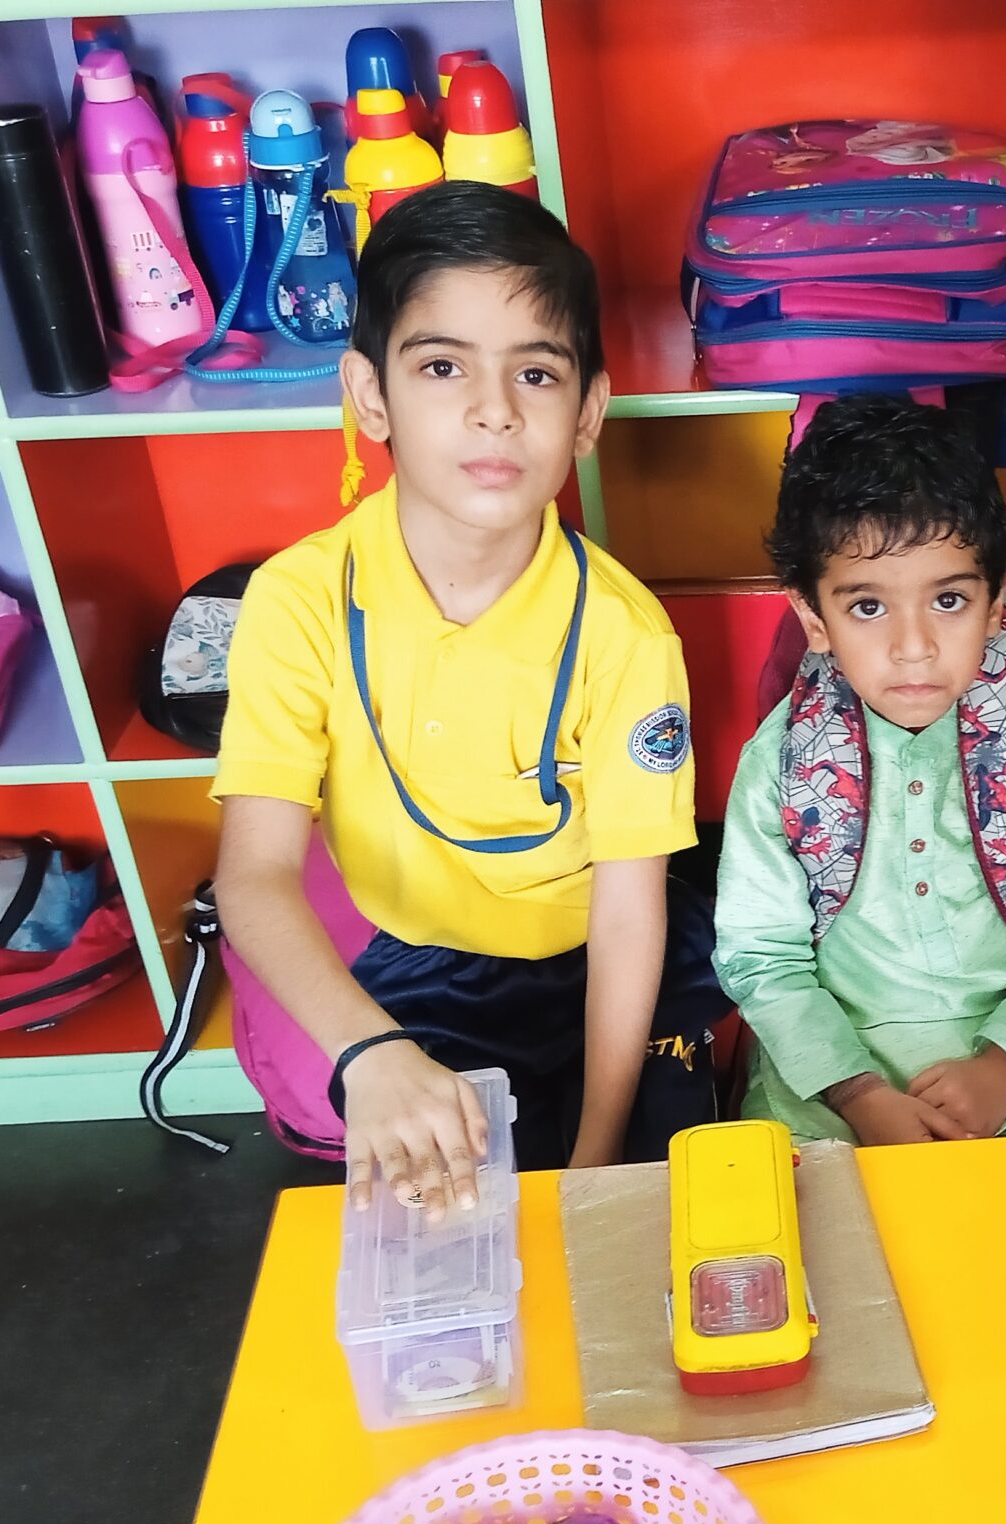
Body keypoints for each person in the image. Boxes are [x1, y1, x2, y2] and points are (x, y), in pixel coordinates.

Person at [212, 183, 721, 1209]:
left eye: (536, 372)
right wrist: (372, 1054)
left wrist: (597, 1154)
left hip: (609, 953)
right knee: (444, 1220)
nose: (496, 409)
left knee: (661, 1203)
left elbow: (629, 909)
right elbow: (253, 875)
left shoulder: (624, 636)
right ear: (370, 396)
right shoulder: (300, 600)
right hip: (428, 963)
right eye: (443, 367)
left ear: (586, 414)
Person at [712, 394, 1006, 1286]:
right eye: (866, 606)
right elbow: (761, 959)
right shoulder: (779, 761)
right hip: (837, 1066)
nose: (914, 648)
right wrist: (861, 1094)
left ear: (998, 600)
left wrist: (1004, 1065)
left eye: (948, 600)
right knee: (770, 1227)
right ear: (813, 619)